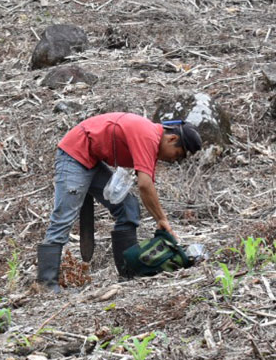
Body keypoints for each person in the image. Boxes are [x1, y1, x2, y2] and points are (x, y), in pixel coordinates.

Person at [36, 112, 202, 291]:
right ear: (172, 138)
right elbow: (145, 186)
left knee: (128, 207)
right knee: (63, 217)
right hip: (74, 155)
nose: (173, 159)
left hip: (93, 159)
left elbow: (144, 183)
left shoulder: (151, 140)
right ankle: (46, 283)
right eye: (177, 154)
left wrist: (160, 218)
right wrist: (162, 219)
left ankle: (128, 273)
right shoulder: (148, 136)